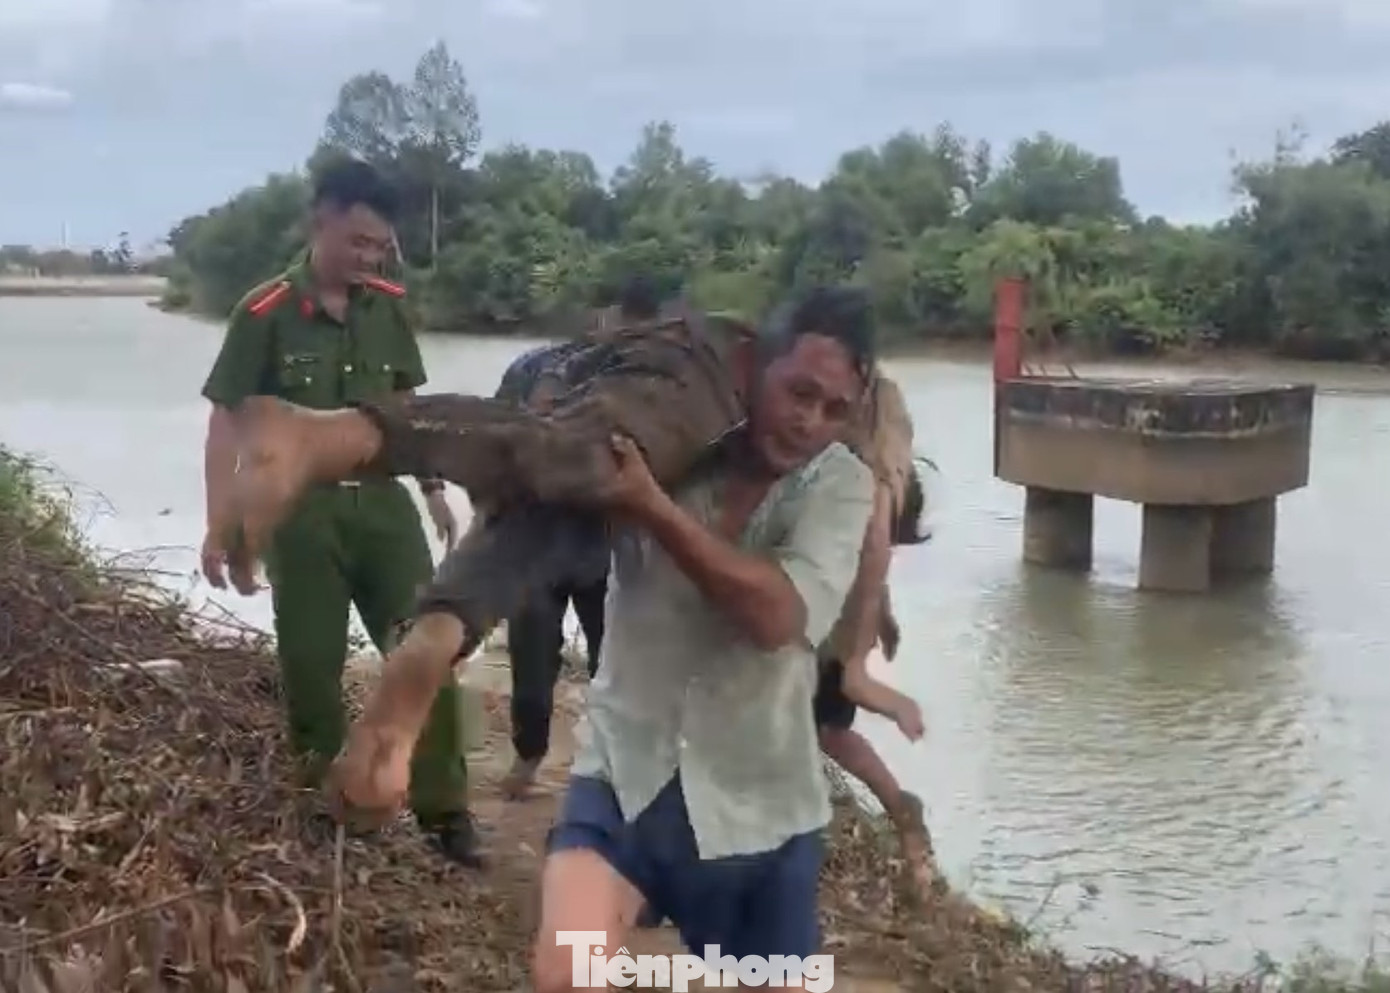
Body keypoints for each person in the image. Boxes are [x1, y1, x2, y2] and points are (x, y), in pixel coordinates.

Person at [196, 158, 481, 866]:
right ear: (318, 221)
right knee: (309, 665)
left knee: (423, 652)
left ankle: (445, 812)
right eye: (357, 242)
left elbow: (409, 413)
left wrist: (436, 489)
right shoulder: (261, 313)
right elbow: (228, 425)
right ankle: (326, 813)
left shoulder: (387, 307)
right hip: (302, 520)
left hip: (385, 510)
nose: (369, 257)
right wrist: (220, 520)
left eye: (379, 246)